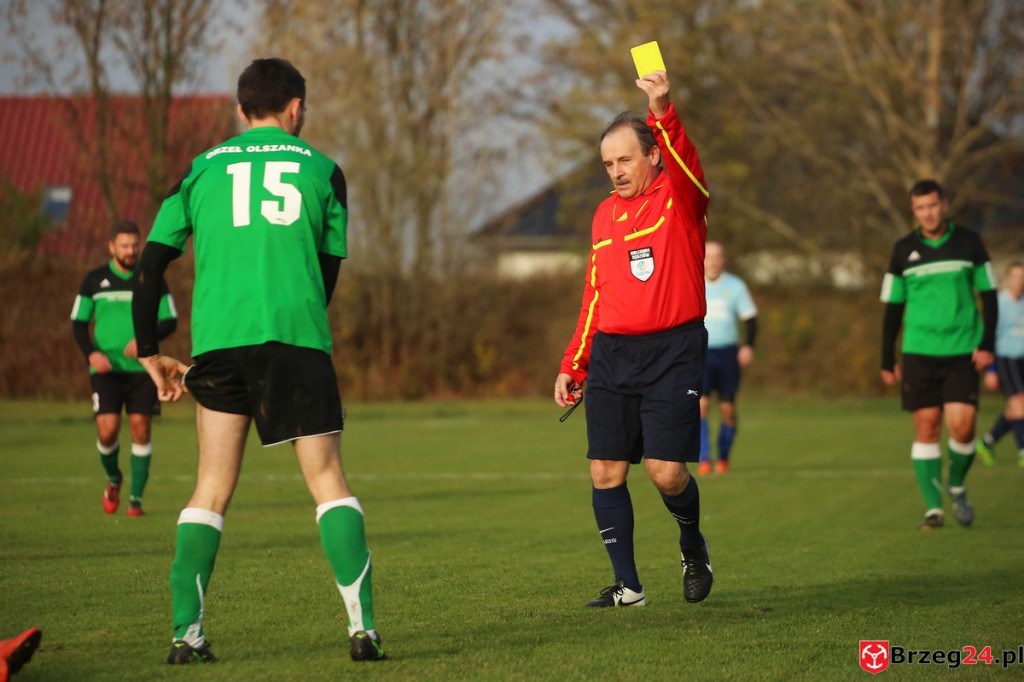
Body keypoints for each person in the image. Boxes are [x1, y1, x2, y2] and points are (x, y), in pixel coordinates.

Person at [132, 58, 385, 664]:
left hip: (219, 346)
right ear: (295, 107)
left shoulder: (199, 170)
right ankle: (363, 630)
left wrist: (147, 352)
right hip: (296, 341)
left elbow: (149, 268)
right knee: (327, 481)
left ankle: (185, 637)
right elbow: (326, 273)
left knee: (210, 488)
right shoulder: (325, 170)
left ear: (241, 109)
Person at [554, 68, 713, 608]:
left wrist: (663, 109)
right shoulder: (602, 217)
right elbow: (594, 297)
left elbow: (686, 159)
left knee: (667, 474)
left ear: (652, 156)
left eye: (625, 159)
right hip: (613, 355)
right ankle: (630, 587)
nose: (616, 172)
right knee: (605, 470)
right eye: (608, 164)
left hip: (673, 350)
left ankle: (692, 545)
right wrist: (573, 364)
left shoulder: (681, 199)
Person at [880, 179, 997, 530]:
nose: (927, 213)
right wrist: (887, 357)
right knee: (926, 426)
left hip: (963, 350)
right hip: (919, 351)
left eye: (932, 205)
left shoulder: (969, 243)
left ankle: (957, 485)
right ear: (913, 211)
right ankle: (934, 508)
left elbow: (989, 296)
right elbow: (892, 308)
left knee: (962, 428)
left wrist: (987, 343)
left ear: (944, 204)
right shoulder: (903, 250)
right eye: (920, 208)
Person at [71, 220, 178, 516]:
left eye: (134, 244)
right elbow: (78, 323)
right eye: (124, 245)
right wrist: (91, 354)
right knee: (108, 431)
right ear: (111, 246)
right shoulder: (94, 279)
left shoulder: (152, 278)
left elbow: (170, 320)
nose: (131, 250)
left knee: (141, 428)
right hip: (106, 371)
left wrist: (146, 339)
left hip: (144, 369)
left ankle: (135, 501)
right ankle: (114, 479)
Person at [698, 241, 757, 475]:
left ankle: (723, 457)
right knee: (700, 406)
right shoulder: (691, 283)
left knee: (727, 409)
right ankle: (704, 458)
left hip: (727, 355)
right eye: (708, 256)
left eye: (717, 256)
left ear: (723, 260)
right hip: (700, 355)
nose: (712, 260)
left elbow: (750, 318)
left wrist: (748, 346)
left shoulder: (735, 286)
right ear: (701, 259)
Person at [976, 261, 1024, 467]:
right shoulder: (999, 304)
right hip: (1006, 359)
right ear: (1007, 279)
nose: (1019, 282)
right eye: (1015, 277)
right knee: (1020, 406)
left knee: (1016, 408)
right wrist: (992, 369)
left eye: (1023, 277)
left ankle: (988, 442)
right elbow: (990, 337)